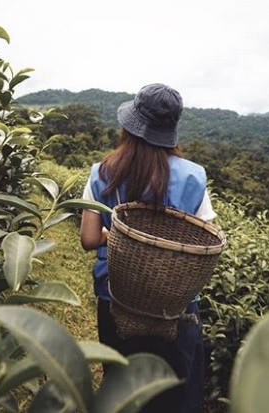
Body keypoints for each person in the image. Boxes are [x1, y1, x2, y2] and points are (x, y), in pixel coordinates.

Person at [80, 83, 217, 413]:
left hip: (118, 299)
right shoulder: (194, 176)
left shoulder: (102, 173)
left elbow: (88, 239)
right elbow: (207, 239)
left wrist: (118, 237)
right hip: (175, 307)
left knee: (123, 391)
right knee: (175, 393)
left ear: (131, 126)